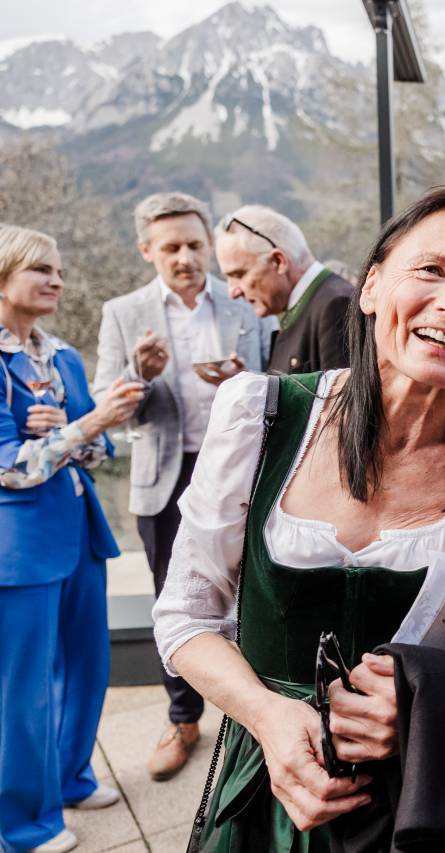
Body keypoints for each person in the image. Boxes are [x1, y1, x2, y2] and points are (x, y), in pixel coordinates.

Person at [152, 186, 445, 851]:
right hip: (265, 790)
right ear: (370, 287)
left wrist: (426, 704)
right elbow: (185, 616)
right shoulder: (260, 414)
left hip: (421, 802)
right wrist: (269, 716)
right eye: (430, 269)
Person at [93, 192, 271, 782]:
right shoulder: (124, 312)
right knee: (175, 601)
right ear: (147, 251)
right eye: (171, 247)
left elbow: (277, 377)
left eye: (195, 244)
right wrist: (138, 376)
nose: (186, 257)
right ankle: (183, 718)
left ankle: (255, 710)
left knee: (256, 589)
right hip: (165, 478)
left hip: (243, 468)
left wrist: (250, 382)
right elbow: (106, 402)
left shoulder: (242, 299)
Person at [0, 225, 144, 853]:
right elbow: (10, 466)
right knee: (22, 689)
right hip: (19, 548)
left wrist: (73, 428)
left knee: (88, 665)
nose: (57, 280)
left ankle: (70, 778)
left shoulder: (62, 356)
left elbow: (101, 447)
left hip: (80, 534)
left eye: (59, 270)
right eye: (42, 270)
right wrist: (83, 427)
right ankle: (21, 825)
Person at [214, 204, 355, 373]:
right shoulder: (313, 304)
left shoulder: (336, 306)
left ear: (278, 261)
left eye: (239, 274)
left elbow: (342, 389)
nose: (233, 292)